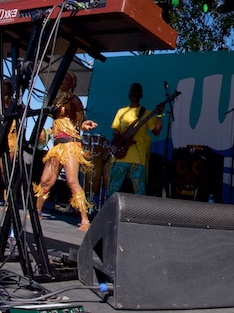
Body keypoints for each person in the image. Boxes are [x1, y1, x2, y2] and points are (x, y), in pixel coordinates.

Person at [33, 72, 97, 230]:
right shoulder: (55, 100)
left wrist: (85, 125)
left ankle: (84, 220)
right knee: (45, 180)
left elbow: (80, 122)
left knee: (72, 181)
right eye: (62, 78)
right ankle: (37, 212)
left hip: (70, 145)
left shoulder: (73, 100)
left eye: (67, 80)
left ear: (72, 84)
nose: (63, 81)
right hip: (57, 146)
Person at [107, 82, 162, 197]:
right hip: (121, 156)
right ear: (128, 94)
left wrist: (159, 115)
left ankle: (140, 213)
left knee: (139, 191)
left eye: (136, 91)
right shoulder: (121, 111)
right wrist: (121, 136)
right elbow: (114, 130)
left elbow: (156, 131)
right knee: (113, 188)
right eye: (132, 90)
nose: (134, 93)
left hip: (138, 158)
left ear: (141, 95)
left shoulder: (146, 113)